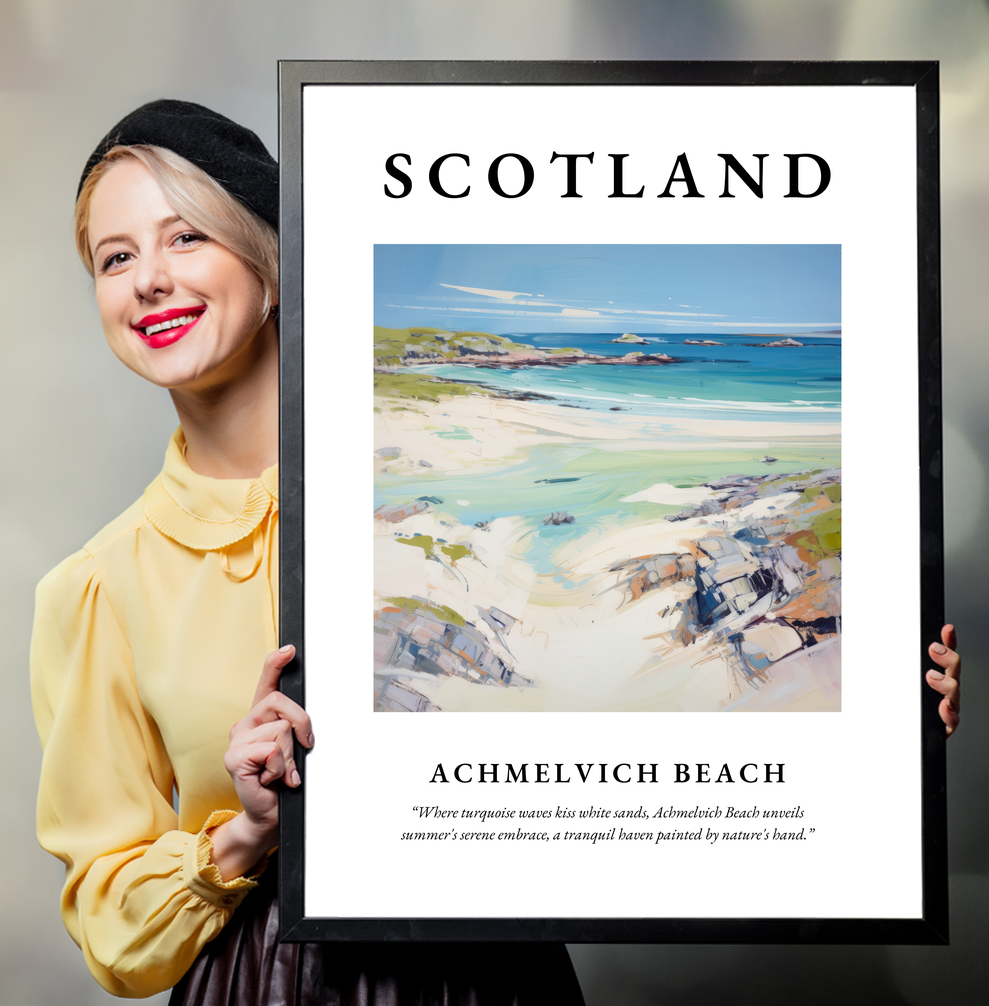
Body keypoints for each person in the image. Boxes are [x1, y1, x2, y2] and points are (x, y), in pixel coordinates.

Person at [30, 100, 585, 1004]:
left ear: (273, 263)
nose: (149, 281)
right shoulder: (98, 586)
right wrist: (246, 833)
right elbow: (110, 924)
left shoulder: (446, 491)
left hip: (492, 972)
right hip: (264, 981)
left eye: (186, 237)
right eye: (115, 258)